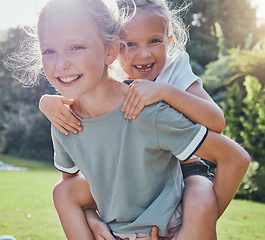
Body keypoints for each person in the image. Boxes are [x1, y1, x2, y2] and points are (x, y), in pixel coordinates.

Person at [5, 0, 250, 239]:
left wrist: (195, 227)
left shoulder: (163, 89)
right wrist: (90, 217)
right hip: (138, 185)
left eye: (76, 47)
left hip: (186, 167)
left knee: (200, 199)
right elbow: (71, 185)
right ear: (118, 50)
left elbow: (219, 126)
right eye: (49, 51)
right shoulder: (70, 112)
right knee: (62, 192)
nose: (141, 53)